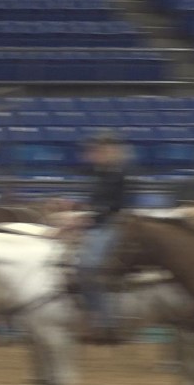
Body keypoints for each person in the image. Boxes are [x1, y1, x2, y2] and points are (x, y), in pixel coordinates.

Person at [76, 129, 130, 345]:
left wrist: (85, 217)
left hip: (111, 225)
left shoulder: (119, 173)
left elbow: (113, 207)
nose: (91, 154)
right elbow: (97, 203)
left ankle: (105, 321)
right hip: (99, 222)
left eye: (95, 150)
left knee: (88, 266)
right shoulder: (101, 173)